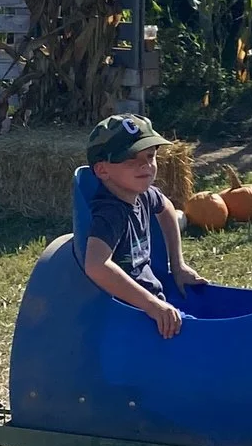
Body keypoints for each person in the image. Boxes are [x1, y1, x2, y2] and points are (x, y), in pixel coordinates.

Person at [81, 113, 204, 338]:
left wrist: (177, 265)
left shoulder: (144, 193)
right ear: (102, 170)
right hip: (132, 315)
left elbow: (166, 207)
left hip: (153, 308)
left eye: (150, 155)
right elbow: (96, 265)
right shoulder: (111, 212)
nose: (145, 165)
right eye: (130, 158)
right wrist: (151, 305)